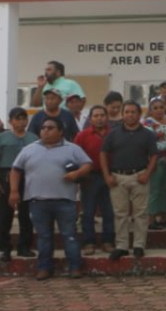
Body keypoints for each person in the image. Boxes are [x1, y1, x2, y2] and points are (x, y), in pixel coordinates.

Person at [9, 117, 93, 279]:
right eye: (43, 128)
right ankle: (44, 268)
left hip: (65, 201)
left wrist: (77, 173)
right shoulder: (29, 149)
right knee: (44, 237)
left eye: (50, 128)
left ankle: (75, 267)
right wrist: (14, 191)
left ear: (60, 131)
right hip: (38, 201)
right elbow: (16, 170)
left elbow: (87, 164)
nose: (45, 131)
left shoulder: (72, 148)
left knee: (69, 235)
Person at [101, 102, 158, 261]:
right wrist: (107, 176)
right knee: (120, 214)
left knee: (140, 214)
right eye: (127, 112)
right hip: (118, 178)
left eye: (133, 112)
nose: (130, 115)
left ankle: (139, 245)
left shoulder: (147, 134)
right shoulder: (113, 134)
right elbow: (103, 153)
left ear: (139, 114)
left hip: (139, 176)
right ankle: (122, 246)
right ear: (122, 114)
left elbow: (154, 155)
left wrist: (147, 173)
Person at [73, 106, 116, 255]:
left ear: (107, 117)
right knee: (88, 212)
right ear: (90, 119)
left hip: (110, 176)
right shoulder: (82, 136)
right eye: (96, 116)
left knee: (109, 212)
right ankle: (89, 242)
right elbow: (75, 156)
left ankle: (108, 241)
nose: (99, 118)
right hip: (90, 178)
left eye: (102, 115)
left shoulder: (114, 134)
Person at [0, 108, 38, 261]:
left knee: (26, 214)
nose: (21, 121)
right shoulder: (3, 138)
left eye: (23, 118)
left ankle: (24, 247)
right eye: (17, 118)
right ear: (10, 121)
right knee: (4, 214)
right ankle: (4, 248)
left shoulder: (33, 139)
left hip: (28, 177)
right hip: (6, 176)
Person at [142, 99, 166, 230]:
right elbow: (150, 143)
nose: (159, 110)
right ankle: (151, 219)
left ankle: (164, 217)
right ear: (150, 110)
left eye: (161, 107)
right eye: (155, 108)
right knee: (155, 189)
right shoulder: (148, 123)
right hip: (156, 159)